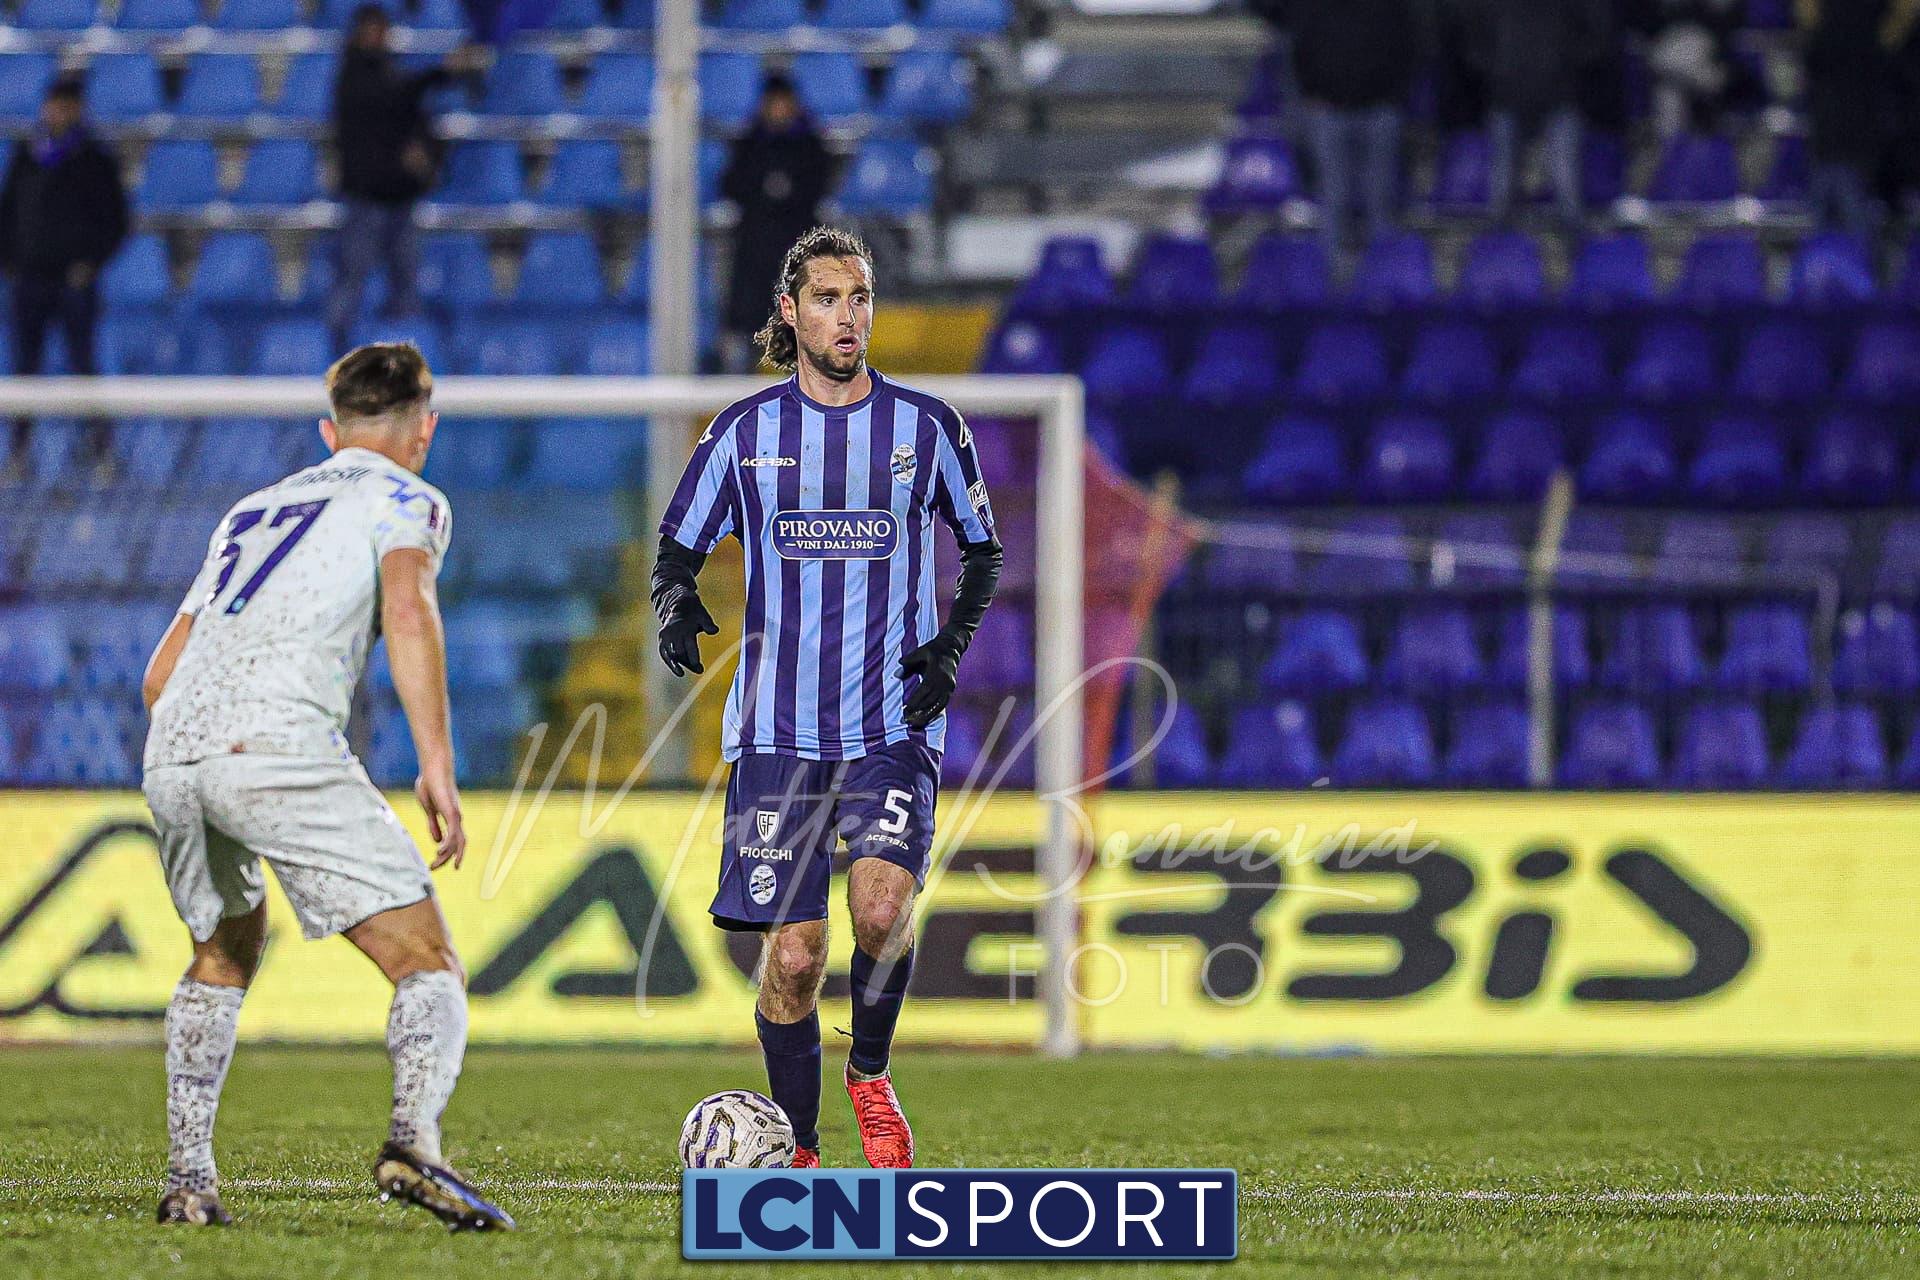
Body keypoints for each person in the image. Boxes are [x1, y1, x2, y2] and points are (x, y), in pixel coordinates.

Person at [651, 227, 1002, 1169]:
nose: (849, 316)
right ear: (790, 311)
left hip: (891, 722)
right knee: (796, 958)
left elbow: (983, 551)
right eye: (828, 299)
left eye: (860, 298)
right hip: (777, 732)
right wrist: (676, 601)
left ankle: (871, 1074)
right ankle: (799, 1149)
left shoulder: (926, 428)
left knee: (881, 912)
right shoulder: (743, 433)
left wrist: (950, 647)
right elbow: (678, 547)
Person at [140, 343, 512, 1232]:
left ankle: (189, 1184)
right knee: (427, 962)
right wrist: (436, 762)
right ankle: (413, 1142)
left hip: (173, 746)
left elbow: (159, 674)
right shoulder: (409, 498)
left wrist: (206, 752)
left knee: (224, 952)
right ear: (424, 429)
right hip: (275, 745)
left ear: (328, 430)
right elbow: (409, 609)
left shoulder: (252, 510)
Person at [327, 7, 480, 349]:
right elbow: (393, 97)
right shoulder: (353, 76)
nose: (377, 38)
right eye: (371, 31)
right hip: (365, 198)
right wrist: (441, 73)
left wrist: (424, 158)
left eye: (381, 31)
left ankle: (403, 359)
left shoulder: (390, 73)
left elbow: (410, 113)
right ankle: (336, 354)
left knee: (406, 287)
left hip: (400, 197)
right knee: (351, 283)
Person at [0, 76, 128, 376]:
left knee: (82, 363)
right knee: (25, 365)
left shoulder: (96, 160)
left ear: (79, 109)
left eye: (68, 106)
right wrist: (8, 261)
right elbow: (8, 211)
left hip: (75, 278)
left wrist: (91, 263)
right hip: (30, 274)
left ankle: (91, 411)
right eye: (56, 105)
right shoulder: (27, 155)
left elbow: (116, 221)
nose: (60, 113)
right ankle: (24, 413)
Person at [718, 74, 832, 373]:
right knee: (751, 311)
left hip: (796, 243)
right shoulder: (749, 142)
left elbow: (820, 185)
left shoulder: (809, 143)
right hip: (755, 245)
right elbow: (730, 185)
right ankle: (748, 370)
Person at [1283, 0, 1417, 250]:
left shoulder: (1390, 7)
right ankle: (1333, 272)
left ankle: (1380, 269)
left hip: (1379, 111)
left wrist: (1395, 94)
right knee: (1334, 197)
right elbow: (1301, 47)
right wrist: (1310, 92)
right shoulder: (1315, 7)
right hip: (1330, 111)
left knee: (1379, 197)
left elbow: (1407, 46)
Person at [1474, 0, 1609, 225]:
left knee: (1565, 178)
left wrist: (1566, 64)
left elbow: (1598, 36)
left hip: (1560, 95)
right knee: (1501, 182)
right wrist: (1499, 69)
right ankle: (1497, 242)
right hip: (1507, 95)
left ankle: (1573, 240)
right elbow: (1475, 38)